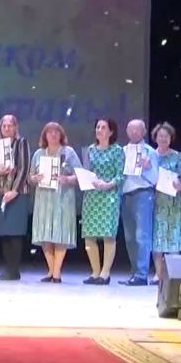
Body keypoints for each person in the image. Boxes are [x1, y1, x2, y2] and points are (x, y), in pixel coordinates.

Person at [30, 122, 81, 283]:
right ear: (44, 136)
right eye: (49, 132)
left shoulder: (69, 152)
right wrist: (35, 178)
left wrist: (67, 179)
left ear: (61, 135)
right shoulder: (38, 154)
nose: (53, 135)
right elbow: (30, 177)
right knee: (45, 234)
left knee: (60, 233)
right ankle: (51, 270)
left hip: (63, 198)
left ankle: (57, 272)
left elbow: (79, 175)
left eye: (56, 132)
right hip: (43, 199)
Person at [81, 118, 125, 285]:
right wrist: (88, 180)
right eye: (98, 127)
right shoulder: (90, 150)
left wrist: (108, 184)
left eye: (103, 127)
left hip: (109, 197)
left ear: (111, 132)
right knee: (89, 234)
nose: (99, 130)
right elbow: (86, 171)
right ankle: (95, 272)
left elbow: (121, 175)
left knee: (108, 234)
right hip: (91, 196)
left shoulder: (117, 151)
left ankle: (105, 273)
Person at [0, 114, 31, 281]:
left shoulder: (21, 143)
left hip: (17, 194)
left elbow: (24, 167)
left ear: (15, 128)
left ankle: (14, 270)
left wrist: (15, 190)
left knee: (15, 232)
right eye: (4, 126)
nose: (6, 128)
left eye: (10, 125)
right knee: (4, 233)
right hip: (1, 192)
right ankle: (8, 269)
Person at [120, 119, 159, 286]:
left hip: (143, 194)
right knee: (129, 237)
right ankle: (134, 273)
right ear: (127, 131)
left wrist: (147, 168)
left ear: (144, 132)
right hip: (125, 195)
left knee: (142, 235)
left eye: (138, 130)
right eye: (131, 129)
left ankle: (142, 274)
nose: (134, 132)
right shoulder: (122, 151)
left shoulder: (150, 152)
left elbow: (156, 178)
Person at [151, 122, 181, 283]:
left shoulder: (178, 156)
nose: (163, 139)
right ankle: (158, 274)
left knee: (173, 238)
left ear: (171, 138)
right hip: (156, 202)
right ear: (155, 137)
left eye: (166, 136)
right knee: (157, 239)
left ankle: (172, 274)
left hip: (174, 202)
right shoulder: (151, 155)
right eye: (160, 136)